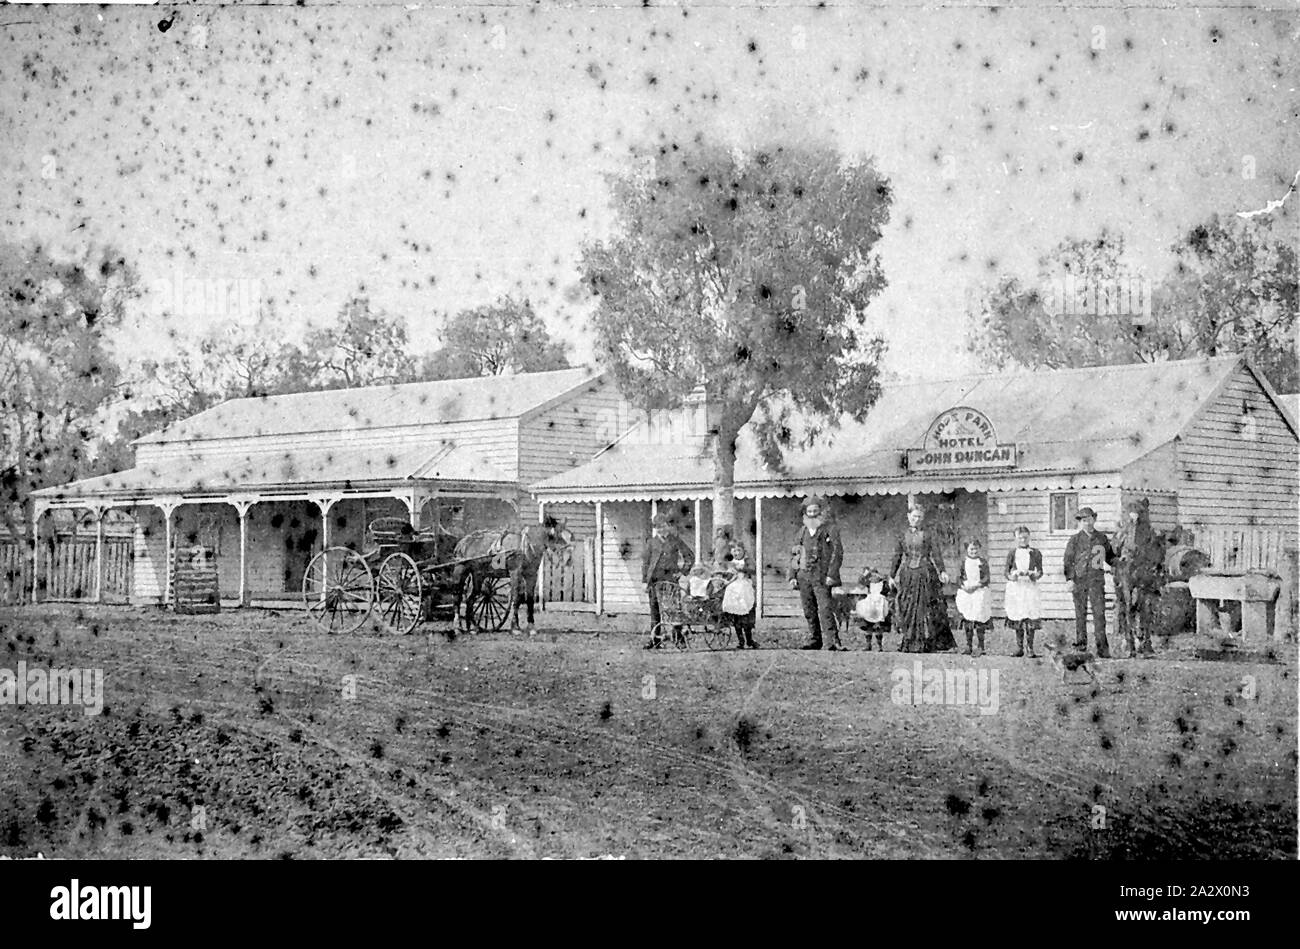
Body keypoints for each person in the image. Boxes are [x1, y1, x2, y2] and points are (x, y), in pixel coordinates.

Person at [891, 502, 953, 653]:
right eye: (914, 516)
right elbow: (897, 556)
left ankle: (928, 642)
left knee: (926, 608)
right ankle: (909, 641)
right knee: (909, 607)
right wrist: (892, 575)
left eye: (919, 517)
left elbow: (936, 553)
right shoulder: (902, 535)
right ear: (908, 517)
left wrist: (942, 571)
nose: (916, 520)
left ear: (923, 518)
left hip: (925, 573)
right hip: (908, 575)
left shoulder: (928, 534)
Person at [788, 496, 844, 651]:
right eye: (809, 511)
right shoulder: (802, 531)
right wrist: (792, 575)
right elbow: (795, 554)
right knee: (809, 609)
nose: (812, 514)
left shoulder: (829, 529)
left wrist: (831, 574)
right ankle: (815, 639)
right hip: (804, 575)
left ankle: (833, 640)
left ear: (821, 512)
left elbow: (837, 553)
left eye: (815, 511)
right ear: (805, 513)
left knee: (825, 608)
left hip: (822, 576)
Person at [1062, 506, 1115, 658]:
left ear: (1094, 519)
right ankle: (1081, 645)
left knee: (1099, 615)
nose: (1087, 523)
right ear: (1080, 523)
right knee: (1080, 614)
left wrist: (1120, 562)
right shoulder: (1075, 540)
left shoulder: (1101, 538)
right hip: (1079, 581)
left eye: (1090, 519)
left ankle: (1102, 649)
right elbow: (1068, 561)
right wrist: (1070, 579)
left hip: (1096, 581)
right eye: (1084, 521)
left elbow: (1110, 557)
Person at [1113, 497, 1162, 658]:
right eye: (1132, 513)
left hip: (1143, 571)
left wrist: (1151, 562)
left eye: (1137, 513)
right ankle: (1129, 643)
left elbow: (1156, 552)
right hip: (1127, 572)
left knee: (1146, 607)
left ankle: (1146, 643)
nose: (1134, 516)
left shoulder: (1149, 531)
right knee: (1127, 606)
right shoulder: (1123, 530)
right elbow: (1115, 549)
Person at [642, 513, 695, 649]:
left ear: (668, 526)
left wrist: (682, 572)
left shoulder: (675, 540)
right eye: (658, 527)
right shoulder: (651, 542)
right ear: (655, 528)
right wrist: (644, 581)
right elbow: (646, 563)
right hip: (654, 580)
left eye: (664, 526)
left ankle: (679, 639)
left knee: (674, 610)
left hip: (670, 579)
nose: (662, 529)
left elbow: (689, 556)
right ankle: (654, 639)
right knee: (655, 611)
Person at [1004, 525, 1043, 658]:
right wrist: (1012, 577)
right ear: (1015, 538)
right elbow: (1006, 572)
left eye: (1025, 537)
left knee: (1030, 616)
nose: (1023, 540)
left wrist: (1034, 575)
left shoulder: (1035, 552)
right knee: (1018, 615)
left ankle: (1030, 648)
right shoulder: (1012, 553)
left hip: (1030, 587)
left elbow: (1040, 572)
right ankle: (1019, 647)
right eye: (1020, 538)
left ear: (1029, 537)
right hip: (1016, 588)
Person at [718, 538, 759, 649]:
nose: (737, 553)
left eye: (739, 550)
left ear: (743, 551)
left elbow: (753, 569)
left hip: (745, 588)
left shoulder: (747, 561)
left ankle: (749, 640)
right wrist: (727, 573)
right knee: (736, 617)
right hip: (733, 590)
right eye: (734, 551)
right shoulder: (731, 563)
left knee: (746, 617)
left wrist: (744, 568)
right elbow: (726, 574)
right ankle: (740, 641)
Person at [954, 538, 992, 657]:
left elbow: (986, 578)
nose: (974, 551)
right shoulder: (963, 562)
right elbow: (958, 578)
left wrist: (977, 585)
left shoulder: (983, 562)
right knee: (968, 618)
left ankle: (981, 645)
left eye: (976, 549)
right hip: (967, 592)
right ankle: (968, 645)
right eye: (971, 549)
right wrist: (964, 587)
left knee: (980, 618)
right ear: (967, 550)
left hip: (979, 591)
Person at [853, 566, 893, 651]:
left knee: (877, 626)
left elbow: (889, 590)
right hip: (871, 605)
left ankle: (879, 646)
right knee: (869, 626)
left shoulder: (883, 583)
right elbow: (861, 582)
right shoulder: (870, 582)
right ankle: (870, 645)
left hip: (879, 606)